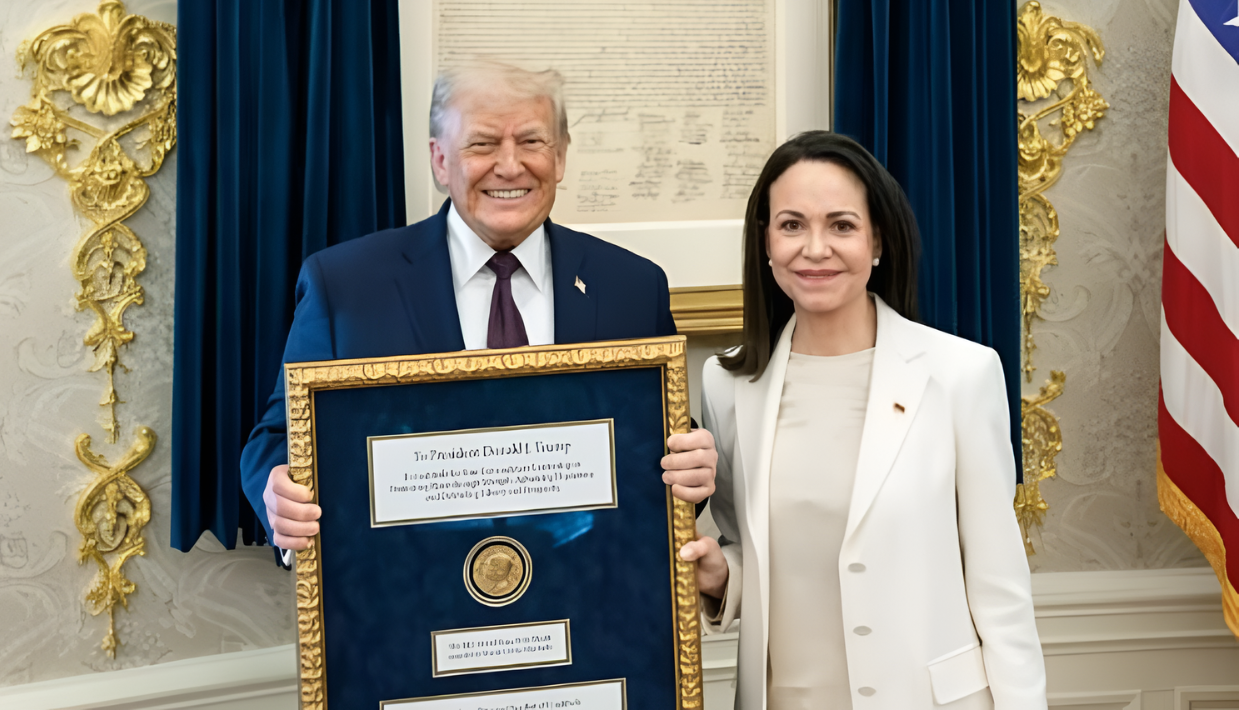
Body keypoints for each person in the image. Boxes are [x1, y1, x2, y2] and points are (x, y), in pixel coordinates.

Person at [240, 61, 717, 556]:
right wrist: (280, 493)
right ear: (440, 160)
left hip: (588, 599)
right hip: (407, 602)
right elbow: (277, 438)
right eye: (483, 143)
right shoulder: (345, 286)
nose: (510, 166)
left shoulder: (633, 287)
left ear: (561, 157)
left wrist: (692, 465)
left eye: (532, 141)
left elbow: (661, 445)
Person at [678, 131, 1046, 709]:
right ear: (766, 244)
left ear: (877, 242)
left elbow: (1000, 586)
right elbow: (749, 546)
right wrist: (723, 576)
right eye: (792, 225)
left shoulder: (960, 374)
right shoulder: (727, 384)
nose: (815, 248)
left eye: (842, 225)